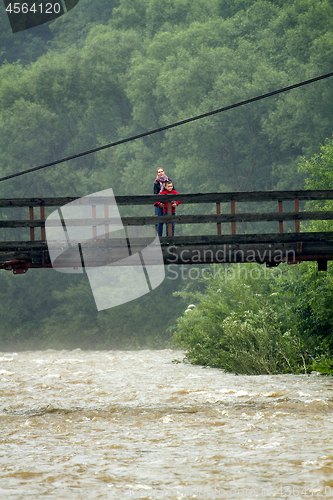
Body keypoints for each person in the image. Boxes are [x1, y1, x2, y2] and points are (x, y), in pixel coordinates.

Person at [153, 168, 174, 237]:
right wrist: (159, 203)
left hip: (167, 203)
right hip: (159, 204)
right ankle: (160, 238)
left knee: (169, 220)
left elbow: (174, 191)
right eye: (159, 172)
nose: (161, 173)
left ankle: (169, 237)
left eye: (162, 171)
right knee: (160, 221)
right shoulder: (156, 183)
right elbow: (155, 194)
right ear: (157, 174)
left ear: (164, 172)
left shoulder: (169, 181)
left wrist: (174, 201)